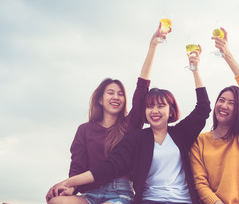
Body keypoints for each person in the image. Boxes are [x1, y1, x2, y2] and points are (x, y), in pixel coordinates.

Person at [46, 44, 211, 204]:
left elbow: (203, 108)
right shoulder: (137, 138)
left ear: (171, 110)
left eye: (161, 106)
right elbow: (106, 166)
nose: (155, 111)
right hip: (135, 198)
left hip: (161, 197)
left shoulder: (173, 133)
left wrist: (194, 69)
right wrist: (69, 184)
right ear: (100, 100)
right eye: (150, 106)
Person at [46, 23, 168, 204]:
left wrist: (153, 45)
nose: (116, 97)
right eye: (110, 93)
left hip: (120, 193)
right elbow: (77, 166)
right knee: (57, 202)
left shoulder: (130, 125)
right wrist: (71, 186)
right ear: (100, 100)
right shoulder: (84, 130)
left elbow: (142, 87)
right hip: (89, 193)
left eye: (120, 94)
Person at [189, 28, 239, 204]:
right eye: (221, 100)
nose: (224, 105)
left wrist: (227, 54)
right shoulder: (200, 141)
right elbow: (200, 183)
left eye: (231, 103)